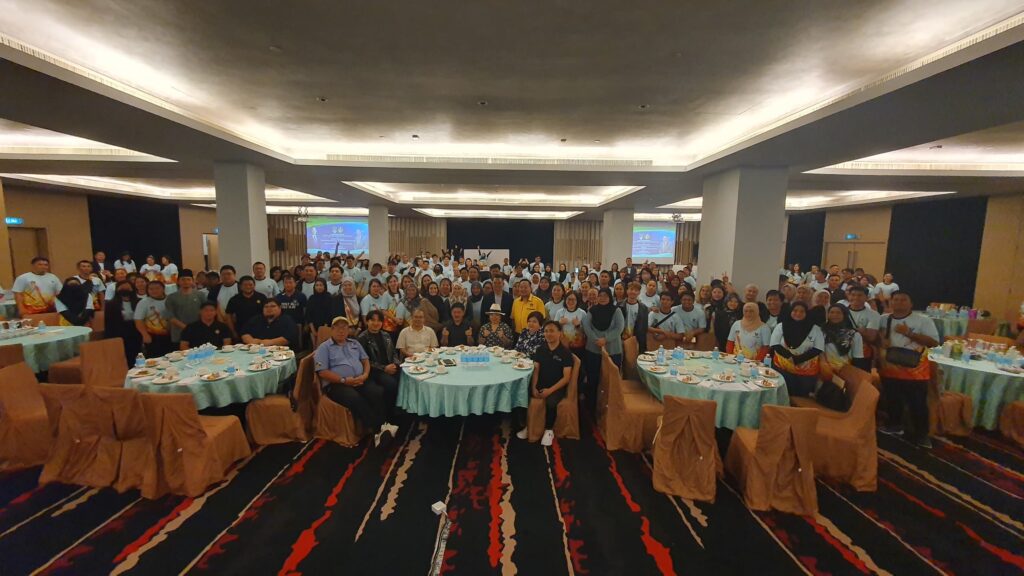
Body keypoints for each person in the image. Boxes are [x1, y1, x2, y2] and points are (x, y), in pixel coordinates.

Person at [315, 316, 398, 447]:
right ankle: (378, 430)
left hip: (359, 379)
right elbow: (322, 372)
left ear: (348, 330)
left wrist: (365, 375)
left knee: (377, 391)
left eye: (344, 328)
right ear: (332, 330)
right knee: (355, 398)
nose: (341, 331)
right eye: (338, 328)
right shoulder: (324, 348)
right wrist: (343, 380)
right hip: (338, 384)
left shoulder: (354, 343)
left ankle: (383, 425)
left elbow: (365, 361)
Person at [879, 291, 939, 448]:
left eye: (903, 300)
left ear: (911, 303)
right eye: (896, 299)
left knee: (918, 403)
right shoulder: (884, 319)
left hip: (916, 369)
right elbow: (879, 337)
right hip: (890, 366)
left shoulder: (923, 320)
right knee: (892, 399)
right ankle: (894, 425)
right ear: (891, 302)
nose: (899, 302)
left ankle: (922, 435)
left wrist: (909, 333)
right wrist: (881, 340)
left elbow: (934, 343)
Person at [515, 320, 574, 445]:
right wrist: (534, 387)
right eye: (546, 331)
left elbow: (566, 378)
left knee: (551, 402)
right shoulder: (540, 349)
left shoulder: (565, 353)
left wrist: (550, 390)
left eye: (552, 331)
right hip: (541, 383)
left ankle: (549, 430)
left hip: (556, 386)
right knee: (522, 394)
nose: (548, 334)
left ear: (560, 333)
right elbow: (536, 370)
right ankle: (528, 426)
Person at [581, 287, 624, 410]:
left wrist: (605, 339)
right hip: (593, 350)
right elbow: (586, 325)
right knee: (592, 379)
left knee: (611, 380)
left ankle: (611, 407)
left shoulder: (617, 311)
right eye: (600, 296)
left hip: (612, 350)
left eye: (605, 296)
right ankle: (592, 407)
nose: (602, 298)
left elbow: (619, 328)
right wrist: (596, 339)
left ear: (610, 297)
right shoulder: (592, 310)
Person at [769, 302, 824, 398]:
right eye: (795, 310)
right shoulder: (781, 326)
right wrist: (789, 357)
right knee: (782, 396)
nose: (798, 313)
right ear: (790, 311)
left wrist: (798, 359)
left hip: (806, 373)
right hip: (783, 369)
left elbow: (818, 348)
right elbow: (775, 344)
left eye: (802, 311)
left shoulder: (815, 329)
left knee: (801, 398)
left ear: (806, 313)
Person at [356, 310, 401, 422]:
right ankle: (390, 415)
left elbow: (394, 353)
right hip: (375, 371)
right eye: (373, 320)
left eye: (379, 320)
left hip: (390, 366)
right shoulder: (362, 338)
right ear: (367, 321)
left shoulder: (386, 335)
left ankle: (403, 410)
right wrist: (384, 368)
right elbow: (364, 361)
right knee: (391, 384)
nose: (376, 323)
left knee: (406, 377)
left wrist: (395, 364)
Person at [821, 304, 864, 380]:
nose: (835, 315)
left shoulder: (854, 335)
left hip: (846, 373)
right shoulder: (821, 332)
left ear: (844, 315)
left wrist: (854, 377)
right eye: (832, 312)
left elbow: (858, 358)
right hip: (824, 372)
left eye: (838, 313)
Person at [164, 269, 205, 348]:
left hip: (198, 331)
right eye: (183, 279)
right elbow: (170, 317)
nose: (186, 282)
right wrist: (187, 328)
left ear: (192, 281)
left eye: (188, 279)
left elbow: (205, 312)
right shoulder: (171, 297)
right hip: (179, 333)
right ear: (178, 281)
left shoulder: (200, 295)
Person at [105, 279, 141, 365]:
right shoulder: (111, 304)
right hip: (119, 334)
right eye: (122, 288)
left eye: (127, 288)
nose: (125, 290)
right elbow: (108, 324)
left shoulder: (139, 302)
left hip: (136, 332)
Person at [845, 286, 879, 371]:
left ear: (866, 297)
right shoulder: (840, 312)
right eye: (853, 295)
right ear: (848, 296)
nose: (856, 298)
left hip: (863, 354)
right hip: (842, 354)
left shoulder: (873, 314)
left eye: (859, 295)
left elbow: (871, 337)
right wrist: (861, 330)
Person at [135, 280, 172, 357]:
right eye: (151, 289)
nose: (154, 291)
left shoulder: (170, 299)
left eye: (157, 288)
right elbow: (138, 320)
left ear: (163, 289)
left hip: (171, 334)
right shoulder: (143, 302)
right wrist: (144, 334)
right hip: (153, 336)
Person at [618, 281, 649, 351]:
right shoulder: (619, 306)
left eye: (636, 290)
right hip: (621, 338)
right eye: (631, 289)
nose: (633, 292)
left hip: (636, 338)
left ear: (639, 292)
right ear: (627, 290)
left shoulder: (643, 308)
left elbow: (644, 327)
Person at [305, 278, 334, 343]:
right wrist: (313, 330)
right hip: (313, 327)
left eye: (321, 285)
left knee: (323, 346)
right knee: (315, 346)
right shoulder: (311, 298)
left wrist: (323, 329)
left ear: (324, 286)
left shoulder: (329, 298)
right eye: (317, 285)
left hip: (326, 326)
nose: (319, 287)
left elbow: (329, 314)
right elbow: (308, 314)